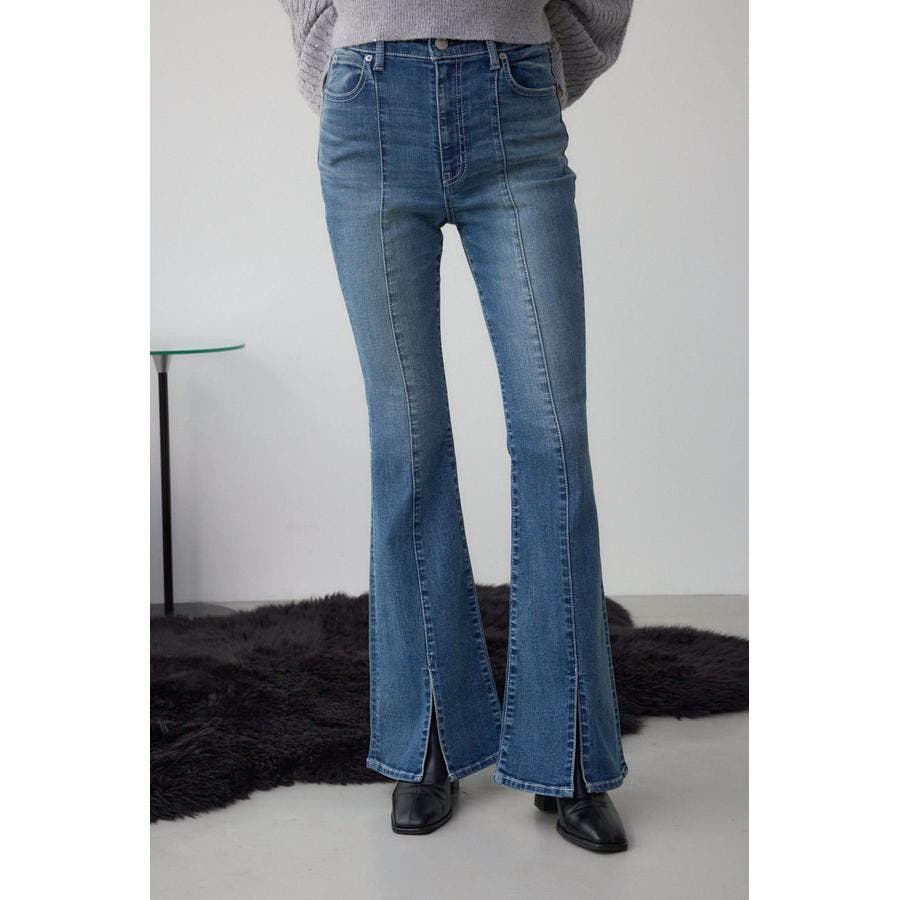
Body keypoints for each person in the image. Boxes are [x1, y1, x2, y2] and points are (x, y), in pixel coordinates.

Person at [277, 1, 635, 853]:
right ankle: (429, 738)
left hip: (512, 98)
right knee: (407, 443)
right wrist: (339, 47)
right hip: (369, 108)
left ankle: (568, 753)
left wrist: (545, 55)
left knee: (553, 435)